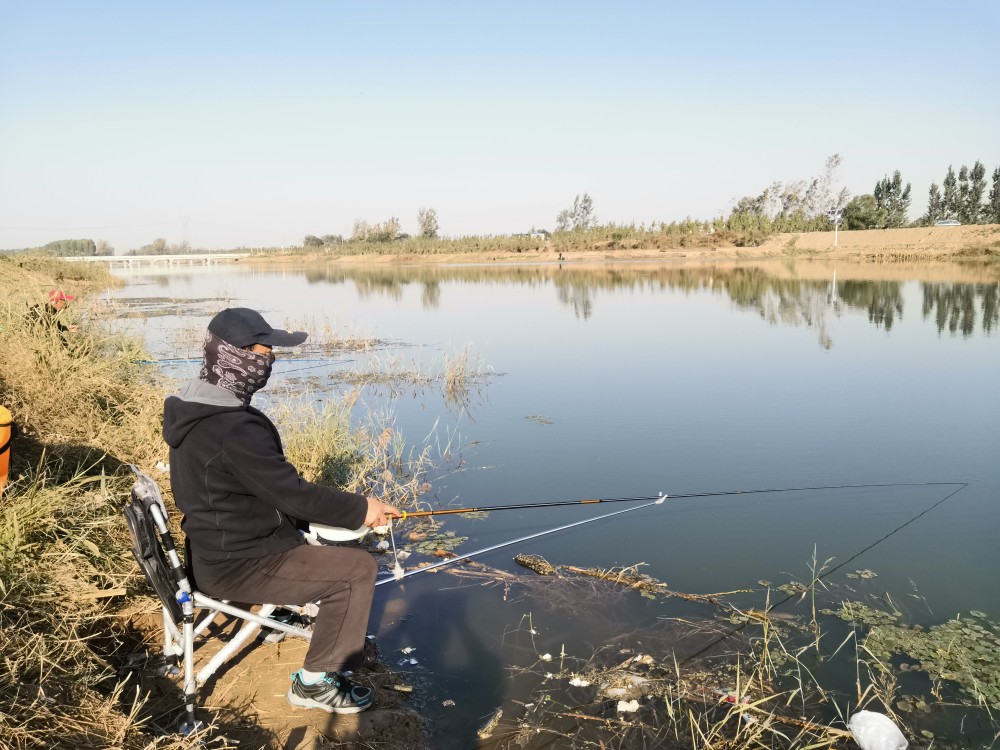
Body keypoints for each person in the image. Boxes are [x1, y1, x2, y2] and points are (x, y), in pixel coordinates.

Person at [162, 307, 400, 714]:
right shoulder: (232, 428)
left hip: (213, 548)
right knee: (357, 571)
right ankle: (314, 684)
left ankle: (296, 615)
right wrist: (364, 508)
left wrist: (325, 514)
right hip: (236, 563)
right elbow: (294, 495)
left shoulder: (194, 404)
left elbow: (267, 492)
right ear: (235, 356)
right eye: (263, 350)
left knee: (320, 541)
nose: (269, 359)